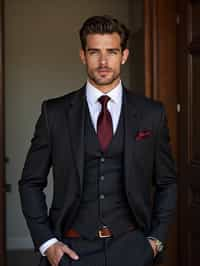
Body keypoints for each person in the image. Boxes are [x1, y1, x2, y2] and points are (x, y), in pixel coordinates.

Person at [19, 15, 177, 266]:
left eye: (111, 52)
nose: (103, 62)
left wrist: (155, 240)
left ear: (124, 55)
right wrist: (48, 243)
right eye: (94, 52)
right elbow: (30, 182)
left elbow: (167, 182)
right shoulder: (55, 113)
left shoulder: (151, 113)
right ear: (83, 55)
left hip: (133, 248)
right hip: (72, 250)